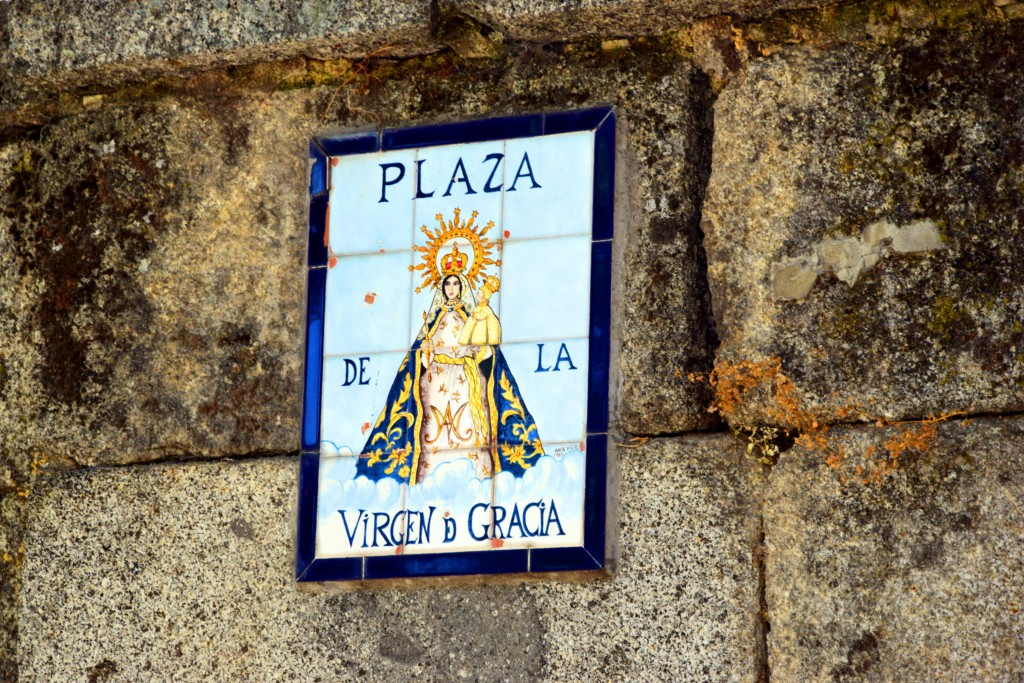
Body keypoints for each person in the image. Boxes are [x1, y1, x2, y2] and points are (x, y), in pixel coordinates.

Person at [356, 243, 543, 485]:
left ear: (462, 286)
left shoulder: (473, 316)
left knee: (469, 424)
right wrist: (425, 357)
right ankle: (429, 478)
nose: (452, 288)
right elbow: (420, 354)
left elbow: (488, 350)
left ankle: (476, 477)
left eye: (456, 284)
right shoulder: (433, 321)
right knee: (432, 428)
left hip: (466, 381)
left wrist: (480, 352)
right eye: (448, 284)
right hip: (435, 382)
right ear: (442, 288)